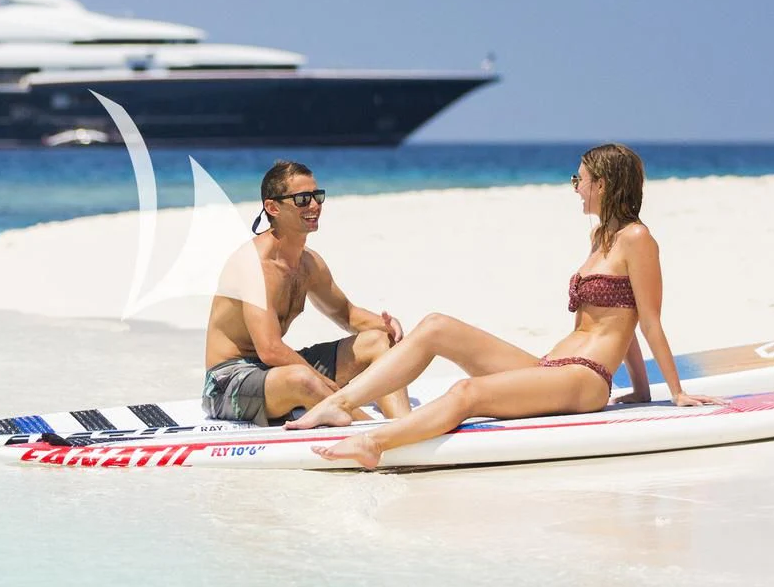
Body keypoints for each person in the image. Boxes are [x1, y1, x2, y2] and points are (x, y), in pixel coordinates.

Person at [287, 143, 721, 467]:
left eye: (579, 180)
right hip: (552, 368)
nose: (576, 189)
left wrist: (674, 392)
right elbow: (616, 317)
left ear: (602, 185)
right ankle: (339, 403)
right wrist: (640, 391)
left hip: (585, 379)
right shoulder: (599, 238)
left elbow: (647, 320)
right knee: (436, 325)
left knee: (467, 393)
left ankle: (374, 444)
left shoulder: (638, 239)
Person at [202, 161, 411, 425]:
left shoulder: (309, 263)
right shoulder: (254, 265)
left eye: (317, 196)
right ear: (273, 208)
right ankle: (374, 432)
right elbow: (270, 349)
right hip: (227, 382)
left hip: (276, 373)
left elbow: (346, 314)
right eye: (302, 199)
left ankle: (404, 423)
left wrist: (387, 326)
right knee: (303, 378)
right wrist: (322, 381)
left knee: (380, 341)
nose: (314, 205)